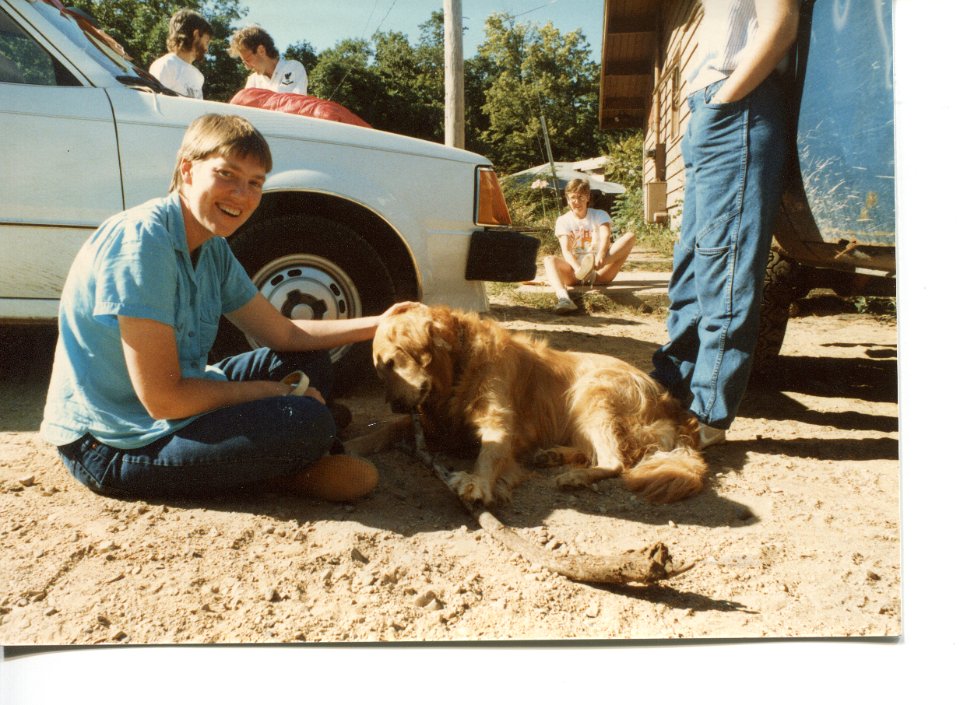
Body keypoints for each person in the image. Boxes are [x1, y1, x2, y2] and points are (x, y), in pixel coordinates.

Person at [41, 113, 408, 502]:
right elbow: (163, 399)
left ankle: (272, 453)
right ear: (187, 170)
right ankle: (279, 467)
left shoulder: (211, 246)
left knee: (308, 361)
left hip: (178, 403)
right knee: (304, 420)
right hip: (114, 442)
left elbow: (284, 333)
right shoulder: (143, 241)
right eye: (227, 175)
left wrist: (384, 323)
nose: (242, 195)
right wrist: (270, 394)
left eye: (254, 183)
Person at [650, 0, 800, 448]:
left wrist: (724, 99)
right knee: (692, 265)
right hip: (710, 110)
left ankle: (707, 416)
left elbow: (780, 26)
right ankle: (674, 390)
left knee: (724, 265)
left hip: (737, 106)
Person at [543, 178, 635, 314]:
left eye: (580, 197)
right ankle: (564, 299)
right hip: (575, 274)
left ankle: (592, 266)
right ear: (567, 199)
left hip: (600, 269)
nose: (576, 201)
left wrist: (601, 255)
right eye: (573, 197)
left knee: (630, 236)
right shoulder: (563, 220)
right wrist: (579, 270)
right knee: (548, 260)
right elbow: (566, 251)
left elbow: (605, 236)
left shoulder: (599, 214)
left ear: (588, 197)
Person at [148, 9, 213, 99]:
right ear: (196, 34)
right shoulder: (165, 65)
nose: (207, 49)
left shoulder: (198, 76)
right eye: (206, 42)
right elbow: (155, 104)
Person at [228, 26, 307, 95]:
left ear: (261, 50)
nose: (247, 67)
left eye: (248, 60)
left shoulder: (293, 68)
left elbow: (292, 104)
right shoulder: (253, 80)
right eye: (244, 62)